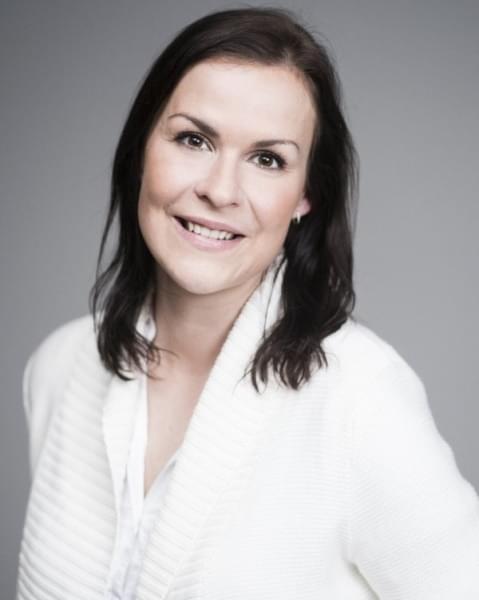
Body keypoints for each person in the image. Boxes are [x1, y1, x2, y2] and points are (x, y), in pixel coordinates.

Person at [16, 7, 479, 600]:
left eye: (267, 159)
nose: (219, 190)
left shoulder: (362, 401)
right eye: (193, 139)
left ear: (306, 195)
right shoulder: (58, 368)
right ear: (141, 150)